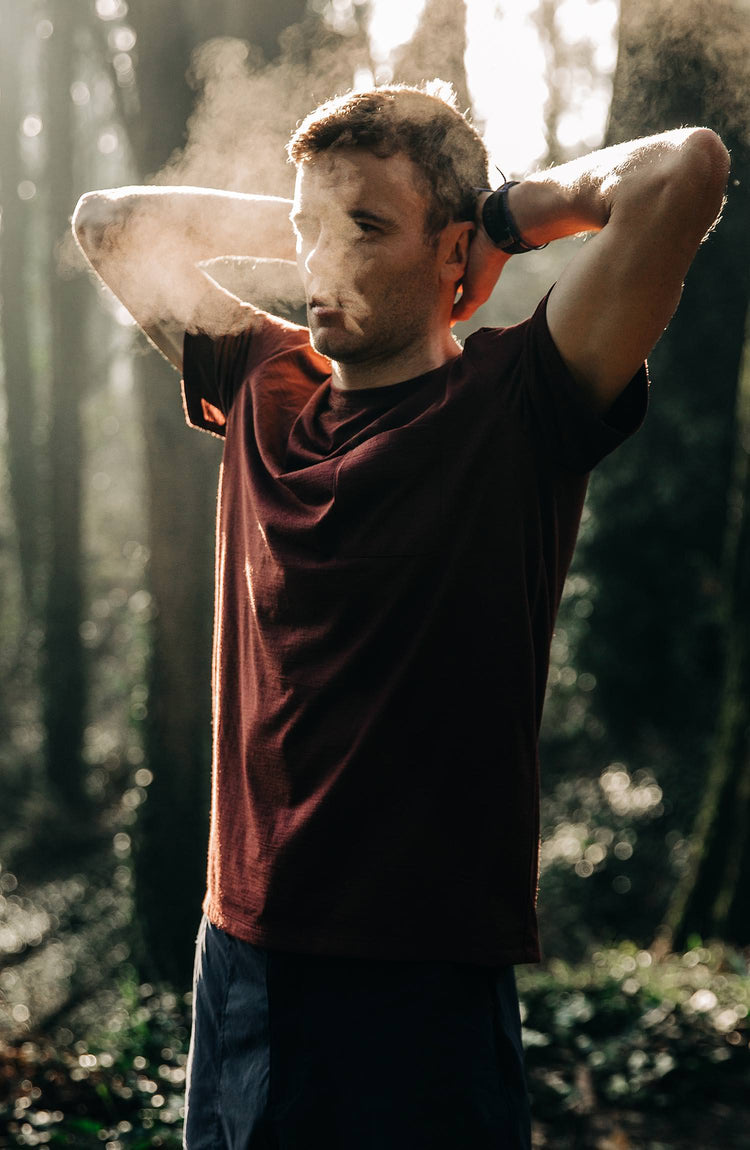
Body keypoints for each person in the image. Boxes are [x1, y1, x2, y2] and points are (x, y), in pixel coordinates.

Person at [73, 80, 729, 1149]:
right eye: (308, 232)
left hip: (421, 981)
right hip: (240, 960)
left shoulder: (524, 402)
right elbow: (109, 222)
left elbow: (682, 168)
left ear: (451, 254)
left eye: (366, 230)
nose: (322, 262)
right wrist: (321, 216)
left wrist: (502, 219)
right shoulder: (258, 380)